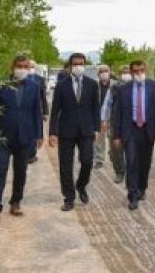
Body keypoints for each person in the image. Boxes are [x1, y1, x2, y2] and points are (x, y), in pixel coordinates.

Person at [0, 54, 44, 224]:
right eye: (19, 66)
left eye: (25, 66)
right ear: (12, 67)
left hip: (25, 137)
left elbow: (37, 112)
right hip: (2, 136)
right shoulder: (1, 84)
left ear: (29, 68)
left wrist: (39, 135)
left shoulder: (34, 86)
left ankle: (16, 202)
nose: (21, 69)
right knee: (0, 170)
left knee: (21, 172)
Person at [48, 52, 101, 212]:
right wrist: (52, 132)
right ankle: (68, 198)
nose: (78, 66)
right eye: (75, 63)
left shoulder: (92, 84)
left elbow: (96, 108)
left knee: (87, 161)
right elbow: (55, 110)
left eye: (81, 63)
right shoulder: (62, 85)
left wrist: (96, 128)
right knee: (65, 165)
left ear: (84, 65)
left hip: (86, 130)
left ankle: (81, 185)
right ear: (70, 65)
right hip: (66, 130)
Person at [111, 60, 155, 210]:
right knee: (132, 162)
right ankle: (132, 195)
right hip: (130, 130)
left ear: (145, 69)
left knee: (145, 163)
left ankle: (142, 188)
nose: (139, 73)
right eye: (136, 71)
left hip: (148, 130)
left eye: (142, 70)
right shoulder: (123, 89)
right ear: (131, 71)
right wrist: (116, 135)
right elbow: (117, 114)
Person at [100, 66, 132, 183]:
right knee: (115, 150)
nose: (126, 74)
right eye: (124, 72)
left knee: (132, 149)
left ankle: (132, 172)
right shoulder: (114, 87)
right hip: (116, 122)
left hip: (132, 123)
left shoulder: (136, 86)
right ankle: (119, 171)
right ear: (119, 74)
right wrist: (104, 119)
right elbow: (107, 104)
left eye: (128, 72)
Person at [27, 58, 48, 165]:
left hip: (37, 110)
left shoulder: (40, 80)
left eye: (32, 67)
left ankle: (32, 154)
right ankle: (27, 153)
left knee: (36, 132)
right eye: (28, 67)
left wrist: (45, 112)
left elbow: (43, 97)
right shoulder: (21, 78)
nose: (30, 69)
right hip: (25, 110)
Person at [94, 65, 113, 170]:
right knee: (99, 140)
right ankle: (99, 160)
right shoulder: (95, 85)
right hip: (98, 117)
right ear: (98, 74)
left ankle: (113, 157)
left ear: (110, 72)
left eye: (106, 71)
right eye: (101, 71)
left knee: (113, 138)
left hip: (112, 117)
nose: (104, 73)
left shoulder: (115, 84)